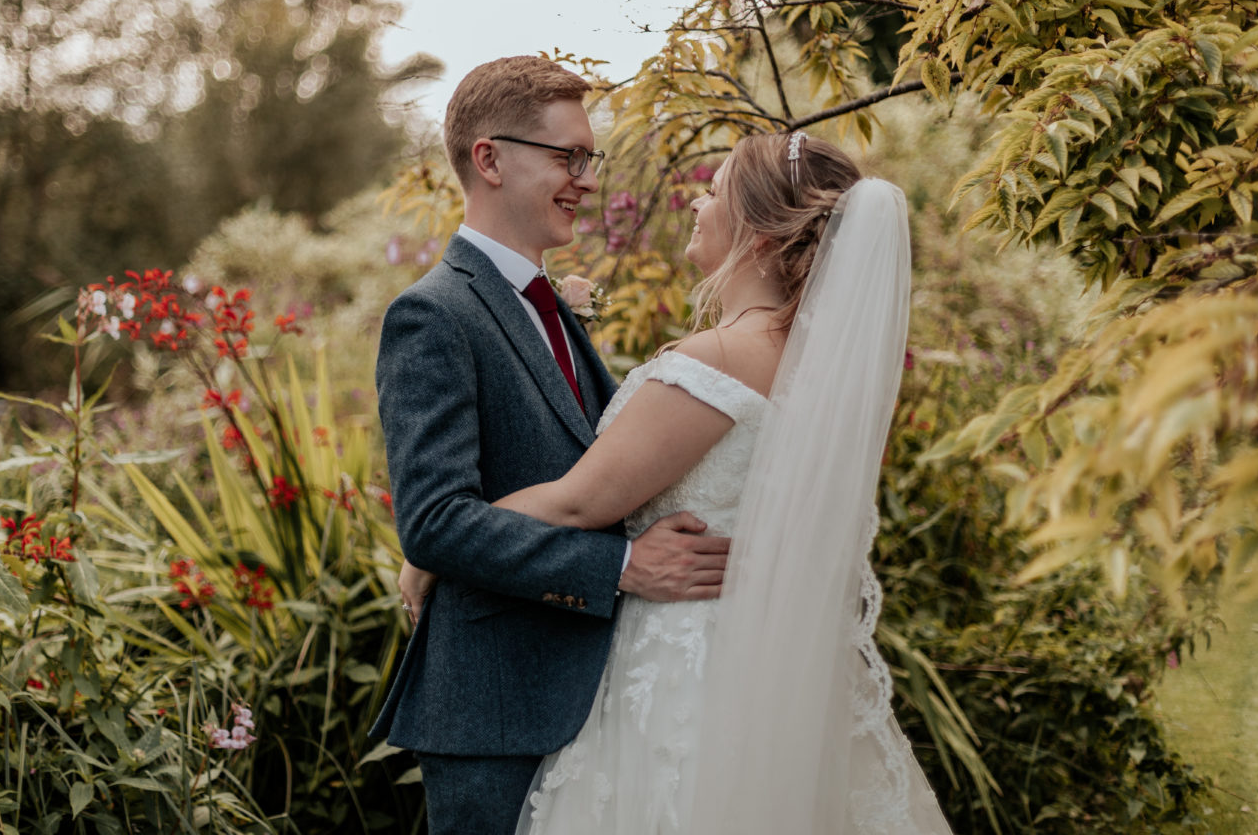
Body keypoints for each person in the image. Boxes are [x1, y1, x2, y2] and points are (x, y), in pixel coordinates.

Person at [401, 130, 954, 834]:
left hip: (679, 669)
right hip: (756, 660)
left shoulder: (722, 355)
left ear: (757, 234)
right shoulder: (811, 363)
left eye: (716, 190)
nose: (697, 200)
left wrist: (427, 552)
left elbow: (579, 499)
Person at [370, 55, 732, 835]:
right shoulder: (432, 316)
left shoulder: (552, 307)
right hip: (496, 710)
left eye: (588, 158)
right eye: (567, 157)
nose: (587, 179)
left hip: (593, 698)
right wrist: (626, 567)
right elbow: (433, 523)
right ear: (489, 159)